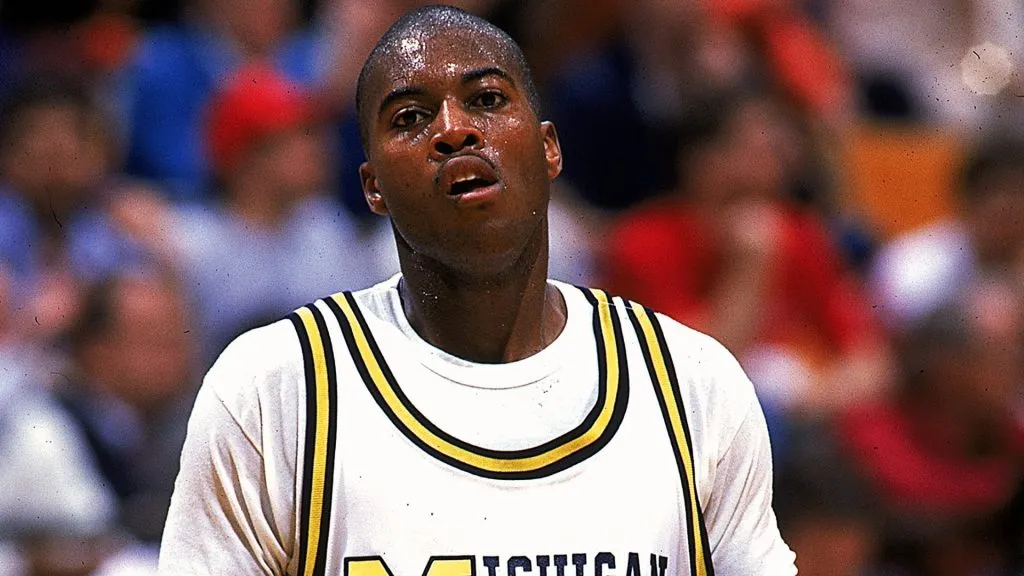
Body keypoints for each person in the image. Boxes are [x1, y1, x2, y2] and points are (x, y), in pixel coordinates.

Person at [159, 6, 796, 575]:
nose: (454, 130)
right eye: (410, 117)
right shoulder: (274, 386)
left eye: (487, 101)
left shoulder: (692, 381)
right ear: (372, 185)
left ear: (549, 149)